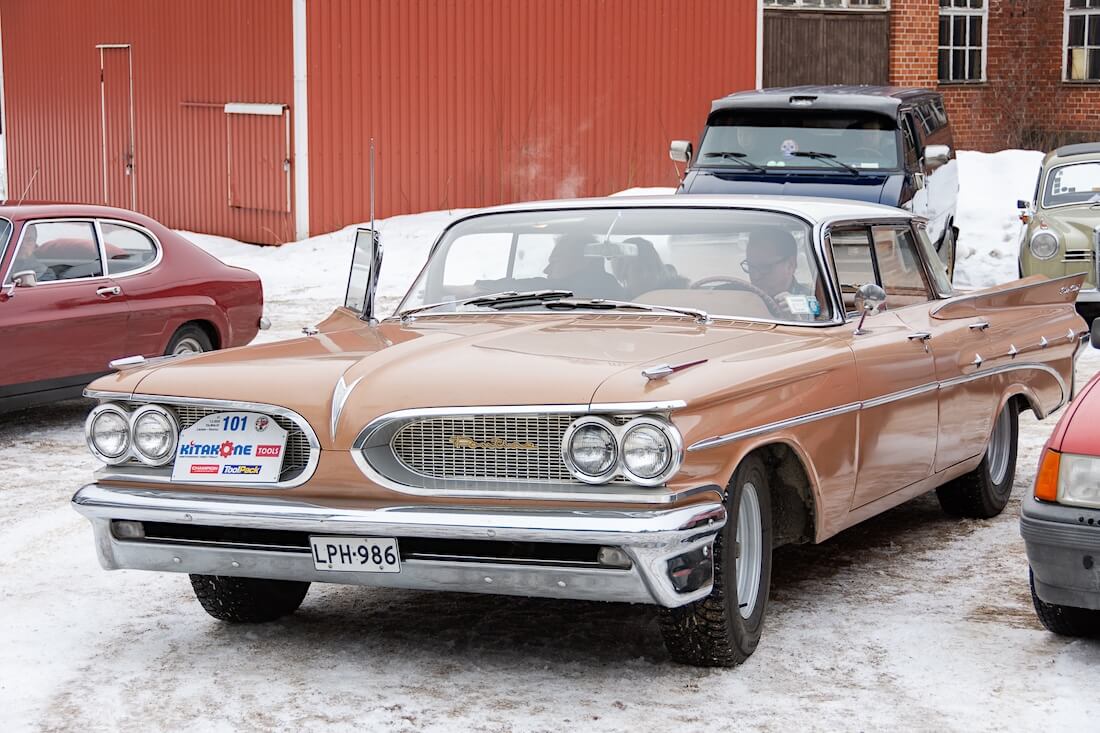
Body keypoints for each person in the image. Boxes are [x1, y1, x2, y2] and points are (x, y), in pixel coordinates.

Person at [740, 227, 818, 319]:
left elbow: (824, 330)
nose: (755, 276)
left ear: (790, 265)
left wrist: (797, 320)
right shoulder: (737, 297)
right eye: (751, 266)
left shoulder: (814, 300)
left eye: (765, 267)